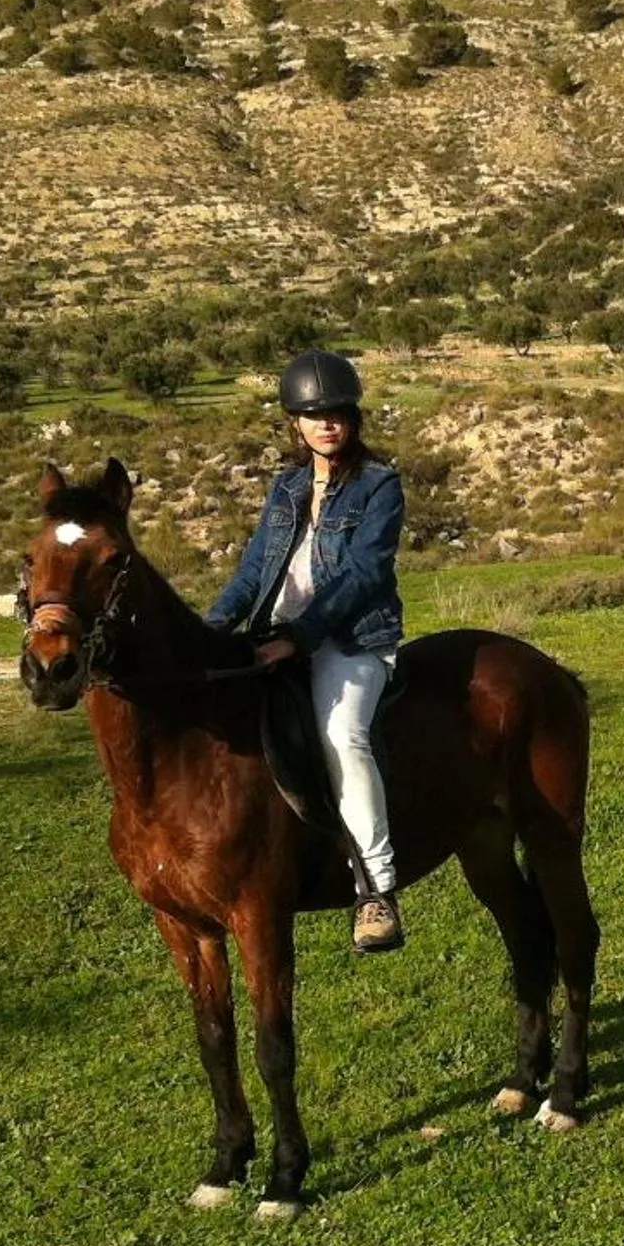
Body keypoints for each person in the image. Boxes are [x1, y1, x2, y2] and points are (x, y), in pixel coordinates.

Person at [206, 349, 408, 953]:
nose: (327, 423)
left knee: (342, 733)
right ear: (296, 421)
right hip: (278, 636)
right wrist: (215, 626)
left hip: (351, 641)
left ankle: (377, 888)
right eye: (314, 414)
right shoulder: (287, 487)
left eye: (337, 413)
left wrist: (300, 638)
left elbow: (364, 574)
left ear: (353, 418)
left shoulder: (380, 486)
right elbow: (253, 571)